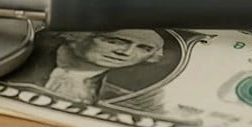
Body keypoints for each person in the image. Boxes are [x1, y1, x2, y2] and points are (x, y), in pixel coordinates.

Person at [9, 29, 166, 104]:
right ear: (77, 36)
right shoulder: (13, 61)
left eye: (144, 49)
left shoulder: (121, 98)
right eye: (114, 41)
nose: (126, 53)